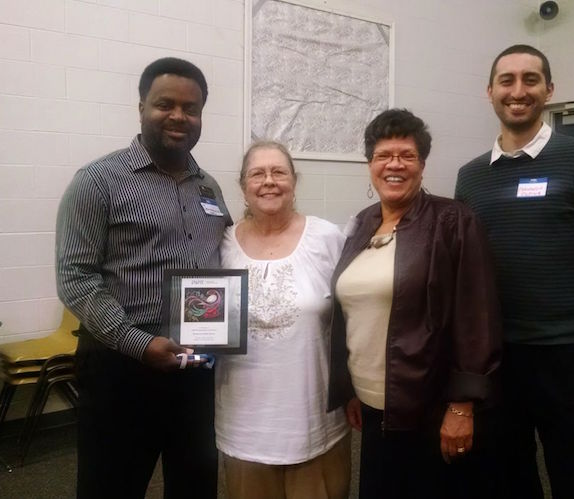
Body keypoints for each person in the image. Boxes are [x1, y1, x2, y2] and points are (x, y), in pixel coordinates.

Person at [455, 44, 574, 498]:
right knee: (507, 480)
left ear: (549, 90)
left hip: (567, 358)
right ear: (490, 92)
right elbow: (462, 276)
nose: (518, 91)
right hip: (496, 361)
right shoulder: (470, 176)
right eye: (507, 80)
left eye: (530, 79)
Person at [56, 57, 231, 499]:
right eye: (164, 104)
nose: (178, 116)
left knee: (195, 484)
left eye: (190, 108)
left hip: (196, 367)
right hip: (122, 368)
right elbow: (75, 276)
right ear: (141, 107)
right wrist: (140, 343)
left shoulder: (208, 186)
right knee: (111, 485)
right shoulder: (98, 181)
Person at [328, 108, 502, 499]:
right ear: (370, 165)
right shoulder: (363, 222)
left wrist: (462, 406)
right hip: (374, 405)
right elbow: (354, 311)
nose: (394, 165)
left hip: (431, 406)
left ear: (422, 165)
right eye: (383, 155)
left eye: (406, 155)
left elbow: (477, 319)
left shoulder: (453, 221)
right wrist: (351, 389)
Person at [215, 141, 351, 499]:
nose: (269, 181)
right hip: (243, 422)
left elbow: (351, 317)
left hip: (313, 419)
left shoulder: (327, 238)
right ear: (243, 186)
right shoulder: (221, 245)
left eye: (279, 172)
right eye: (257, 173)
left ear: (294, 181)